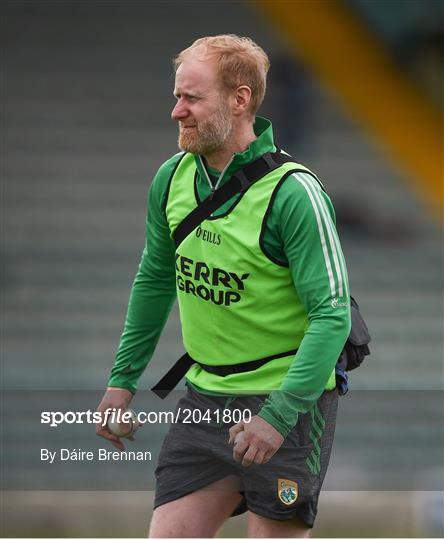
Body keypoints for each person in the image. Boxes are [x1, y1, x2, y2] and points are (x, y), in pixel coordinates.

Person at [96, 34, 351, 538]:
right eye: (176, 96)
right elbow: (153, 280)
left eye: (192, 98)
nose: (177, 111)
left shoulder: (293, 193)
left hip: (287, 405)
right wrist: (122, 381)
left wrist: (276, 418)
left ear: (240, 100)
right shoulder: (170, 179)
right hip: (204, 398)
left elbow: (332, 316)